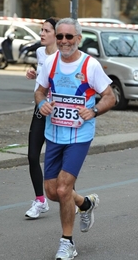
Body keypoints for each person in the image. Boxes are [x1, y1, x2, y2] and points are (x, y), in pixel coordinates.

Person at [35, 18, 116, 259]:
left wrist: (94, 111)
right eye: (60, 36)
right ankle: (85, 203)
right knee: (51, 192)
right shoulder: (50, 62)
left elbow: (110, 97)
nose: (63, 41)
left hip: (80, 135)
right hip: (54, 133)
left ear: (78, 39)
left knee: (63, 188)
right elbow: (39, 90)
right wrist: (42, 103)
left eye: (69, 37)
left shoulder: (90, 65)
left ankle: (67, 242)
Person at [25, 17, 58, 219]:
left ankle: (69, 198)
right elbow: (44, 78)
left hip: (58, 114)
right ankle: (40, 201)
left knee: (59, 161)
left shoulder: (63, 56)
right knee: (32, 156)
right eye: (42, 30)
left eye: (46, 30)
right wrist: (35, 74)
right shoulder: (39, 52)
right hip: (40, 110)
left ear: (56, 34)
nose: (42, 34)